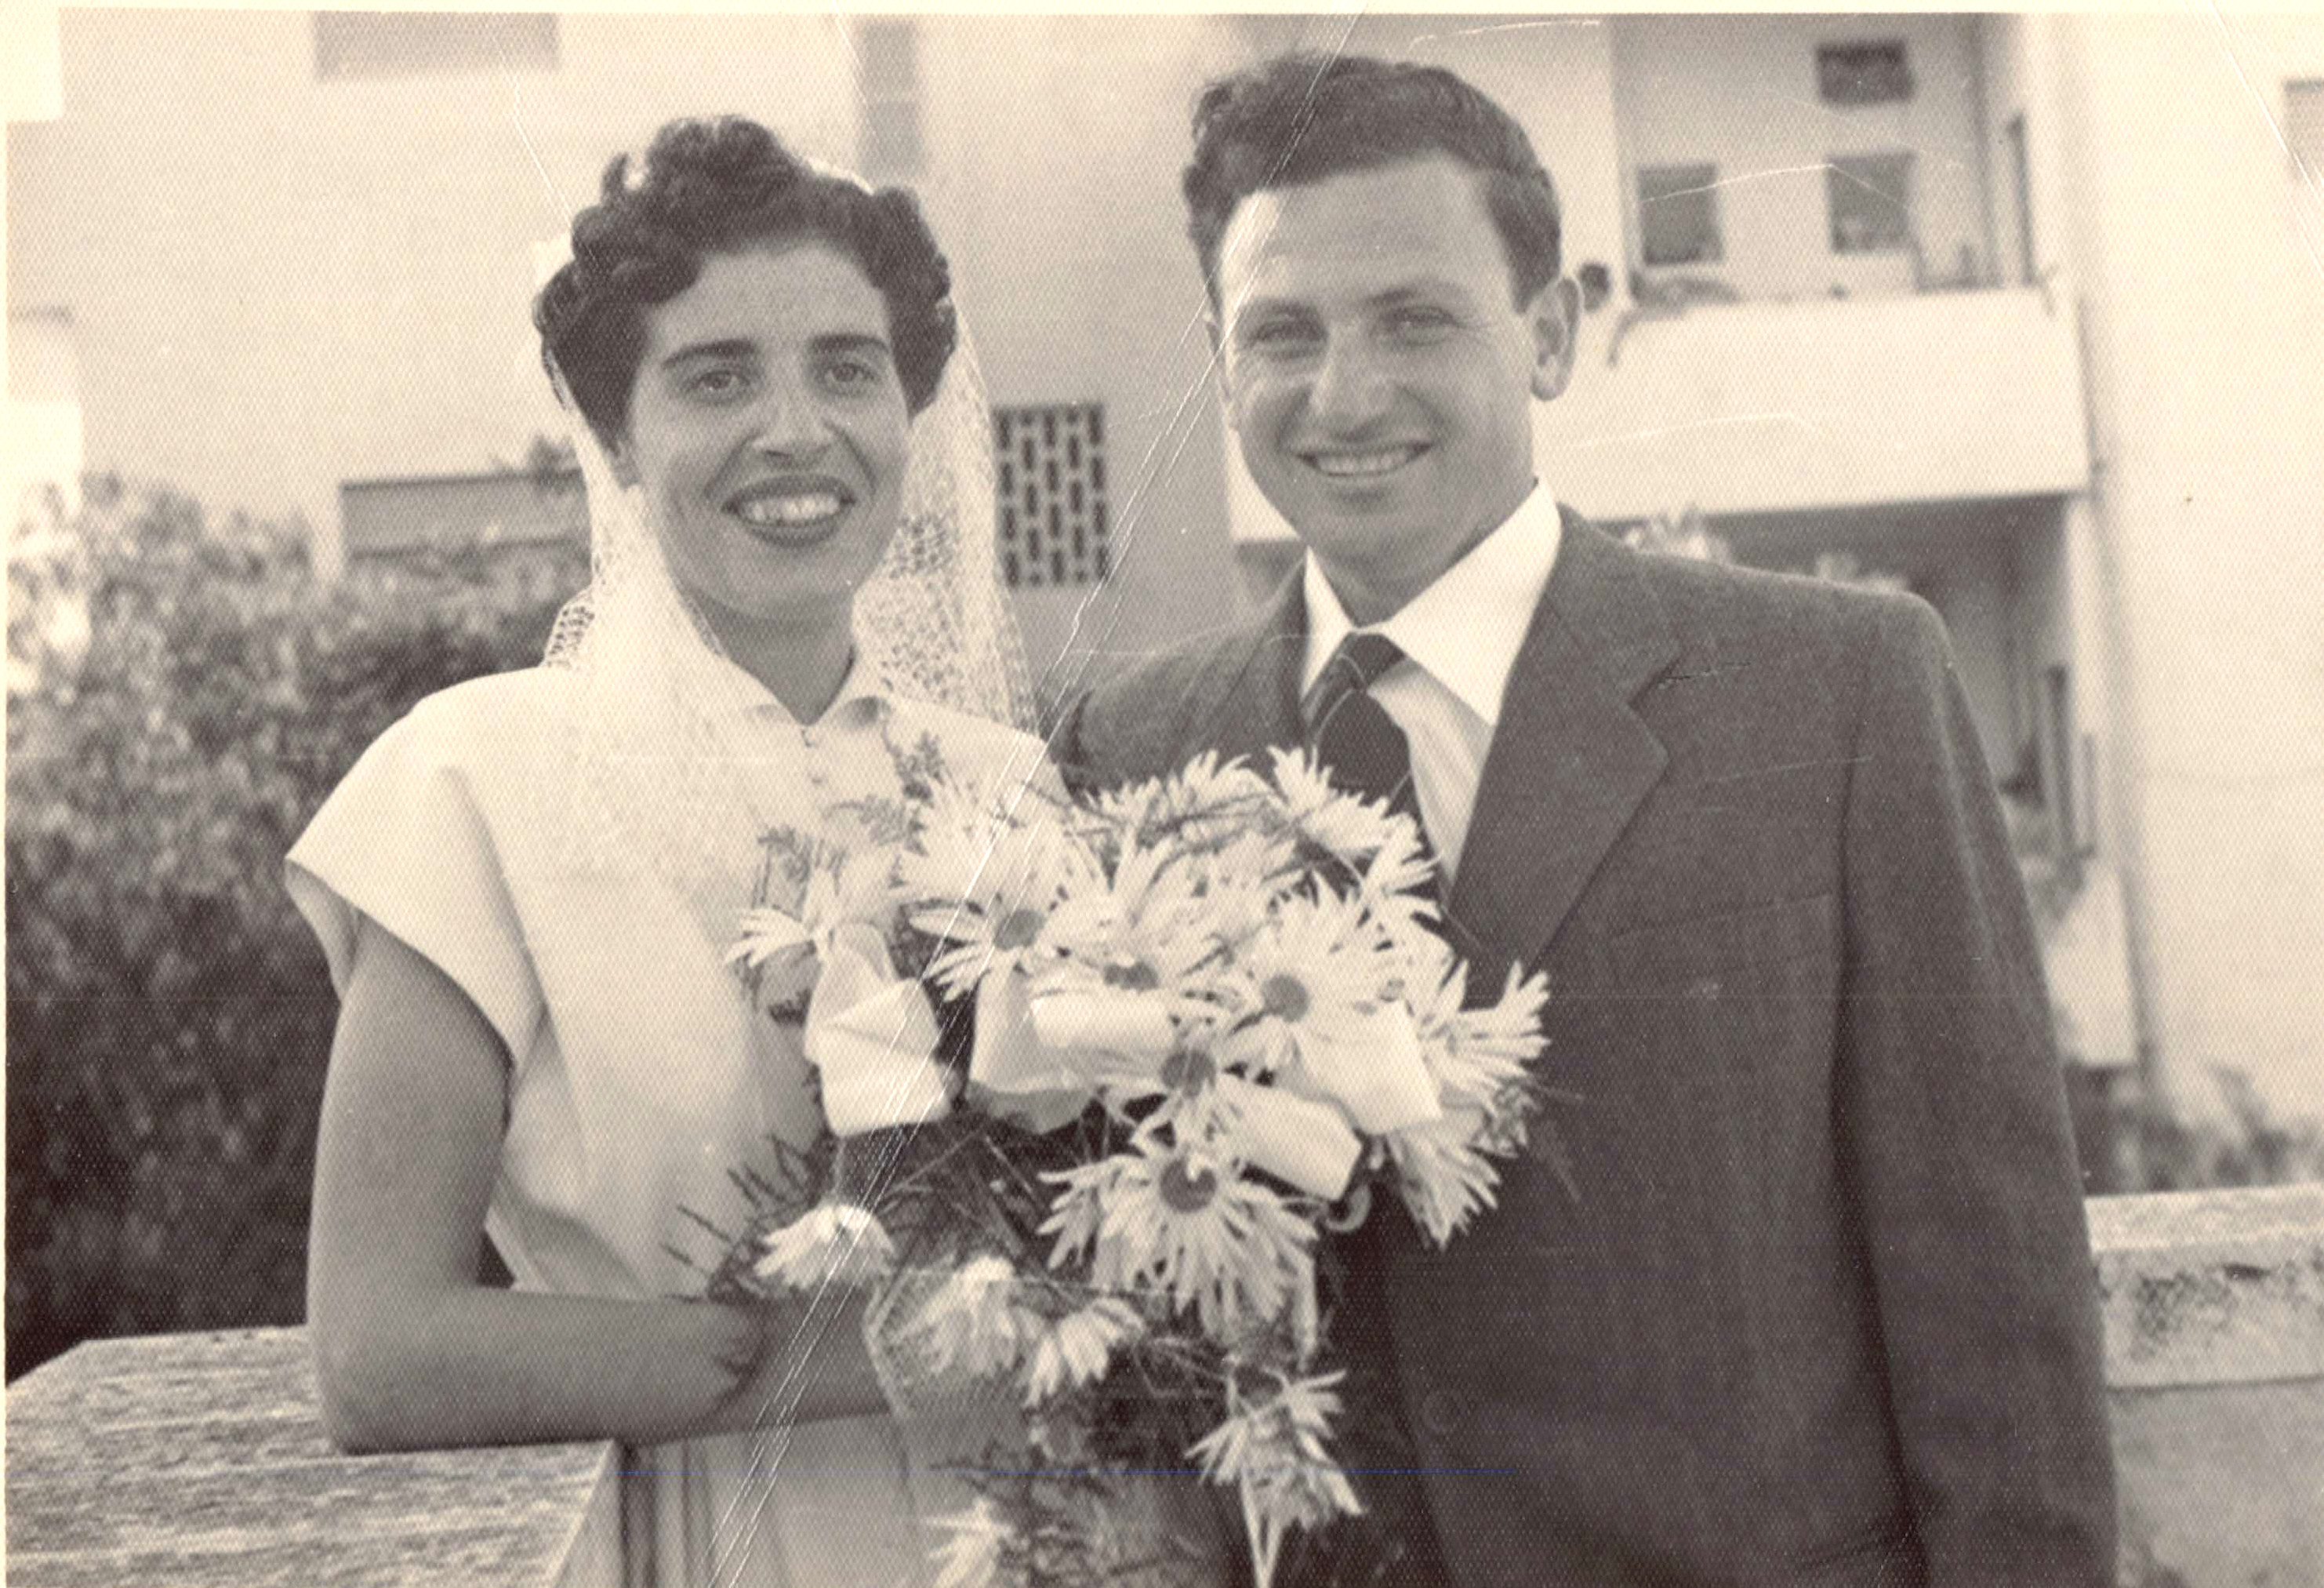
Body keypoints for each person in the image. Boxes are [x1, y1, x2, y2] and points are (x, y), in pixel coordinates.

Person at [1055, 53, 2117, 1587]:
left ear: (1547, 334)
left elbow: (1995, 1292)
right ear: (1221, 366)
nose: (1344, 394)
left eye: (1416, 320)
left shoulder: (1838, 693)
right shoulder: (1130, 750)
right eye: (1283, 333)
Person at [292, 117, 1052, 1586]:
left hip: (1032, 1533)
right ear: (617, 439)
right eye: (717, 378)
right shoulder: (479, 781)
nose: (797, 430)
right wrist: (912, 1348)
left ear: (913, 410)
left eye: (848, 368)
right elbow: (378, 1353)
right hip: (697, 1537)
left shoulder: (1006, 787)